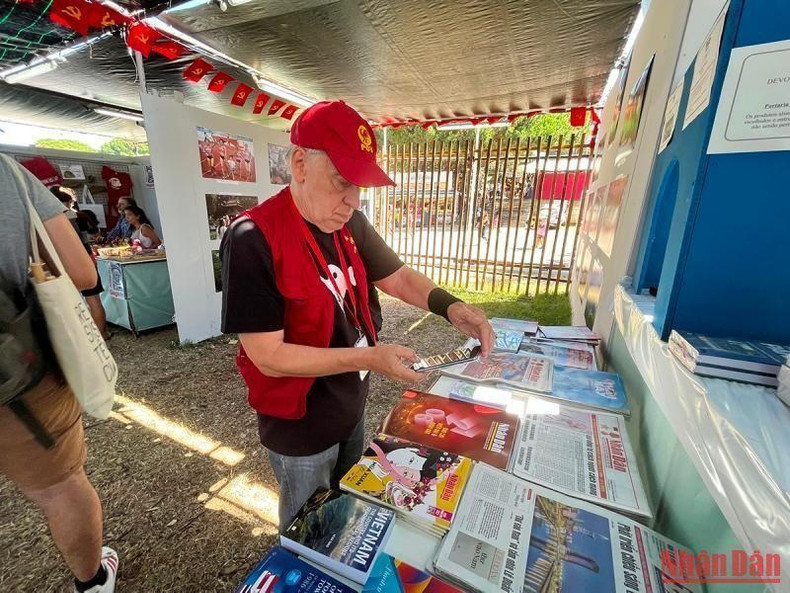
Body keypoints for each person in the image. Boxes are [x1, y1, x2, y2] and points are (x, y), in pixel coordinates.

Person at [220, 100, 496, 528]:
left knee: (344, 505)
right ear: (299, 163)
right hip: (301, 422)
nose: (353, 200)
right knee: (307, 525)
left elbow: (398, 277)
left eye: (360, 185)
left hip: (350, 402)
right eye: (342, 181)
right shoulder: (253, 237)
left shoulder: (351, 223)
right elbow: (267, 356)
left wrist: (451, 306)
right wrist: (367, 358)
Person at [0, 154, 119, 592]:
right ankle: (91, 581)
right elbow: (83, 272)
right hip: (17, 370)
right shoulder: (9, 173)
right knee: (60, 486)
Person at [51, 188, 110, 340]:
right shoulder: (79, 216)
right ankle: (101, 335)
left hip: (64, 261)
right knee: (94, 300)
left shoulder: (52, 220)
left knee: (76, 303)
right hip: (85, 258)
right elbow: (95, 234)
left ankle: (92, 337)